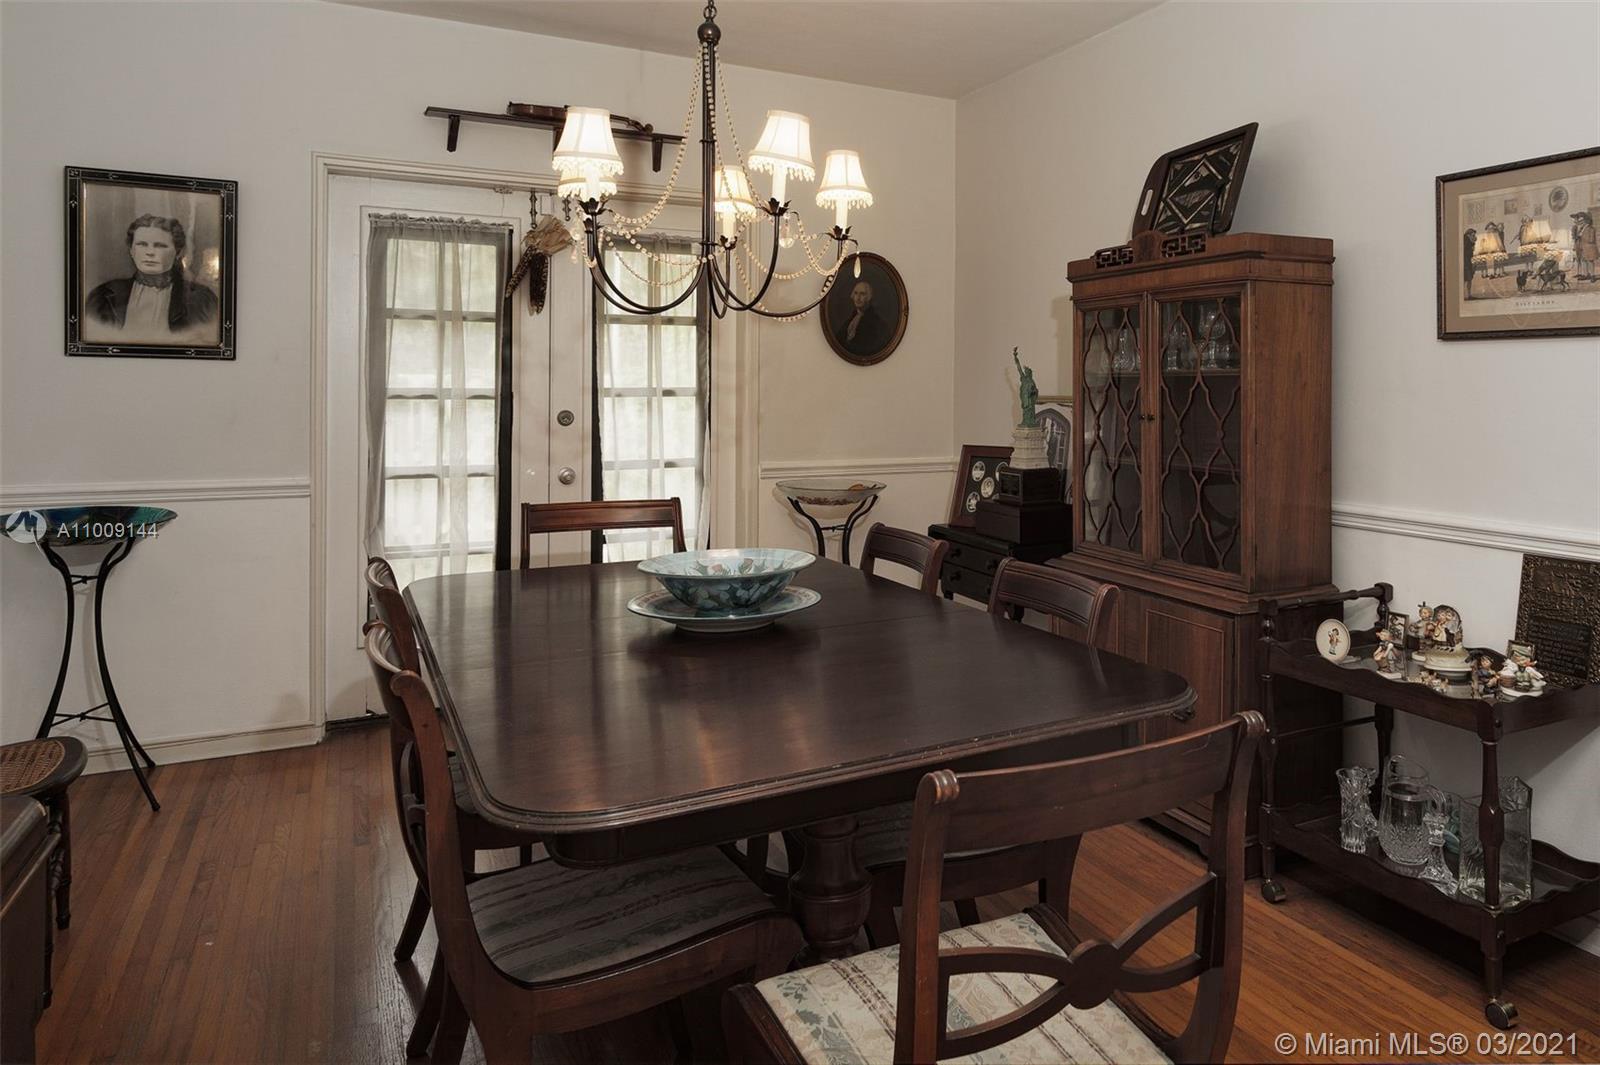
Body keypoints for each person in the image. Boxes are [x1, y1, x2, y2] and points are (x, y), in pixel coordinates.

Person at [86, 214, 218, 337]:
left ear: (178, 252)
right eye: (142, 244)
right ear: (132, 250)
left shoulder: (202, 299)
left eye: (160, 246)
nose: (150, 252)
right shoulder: (103, 296)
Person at [837, 279, 887, 357]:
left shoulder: (877, 323)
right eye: (856, 293)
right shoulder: (851, 319)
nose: (858, 298)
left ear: (869, 297)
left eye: (862, 294)